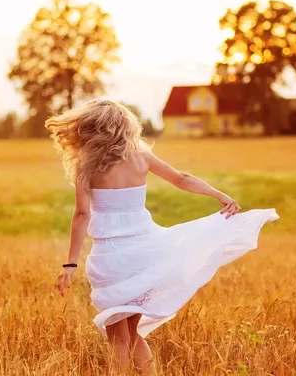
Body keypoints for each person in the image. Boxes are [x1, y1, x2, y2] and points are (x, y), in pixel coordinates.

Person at [46, 99, 278, 375]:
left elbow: (82, 215)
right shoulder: (141, 157)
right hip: (144, 254)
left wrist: (70, 264)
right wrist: (219, 195)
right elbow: (181, 178)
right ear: (124, 127)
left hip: (110, 259)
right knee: (132, 334)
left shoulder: (87, 166)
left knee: (118, 337)